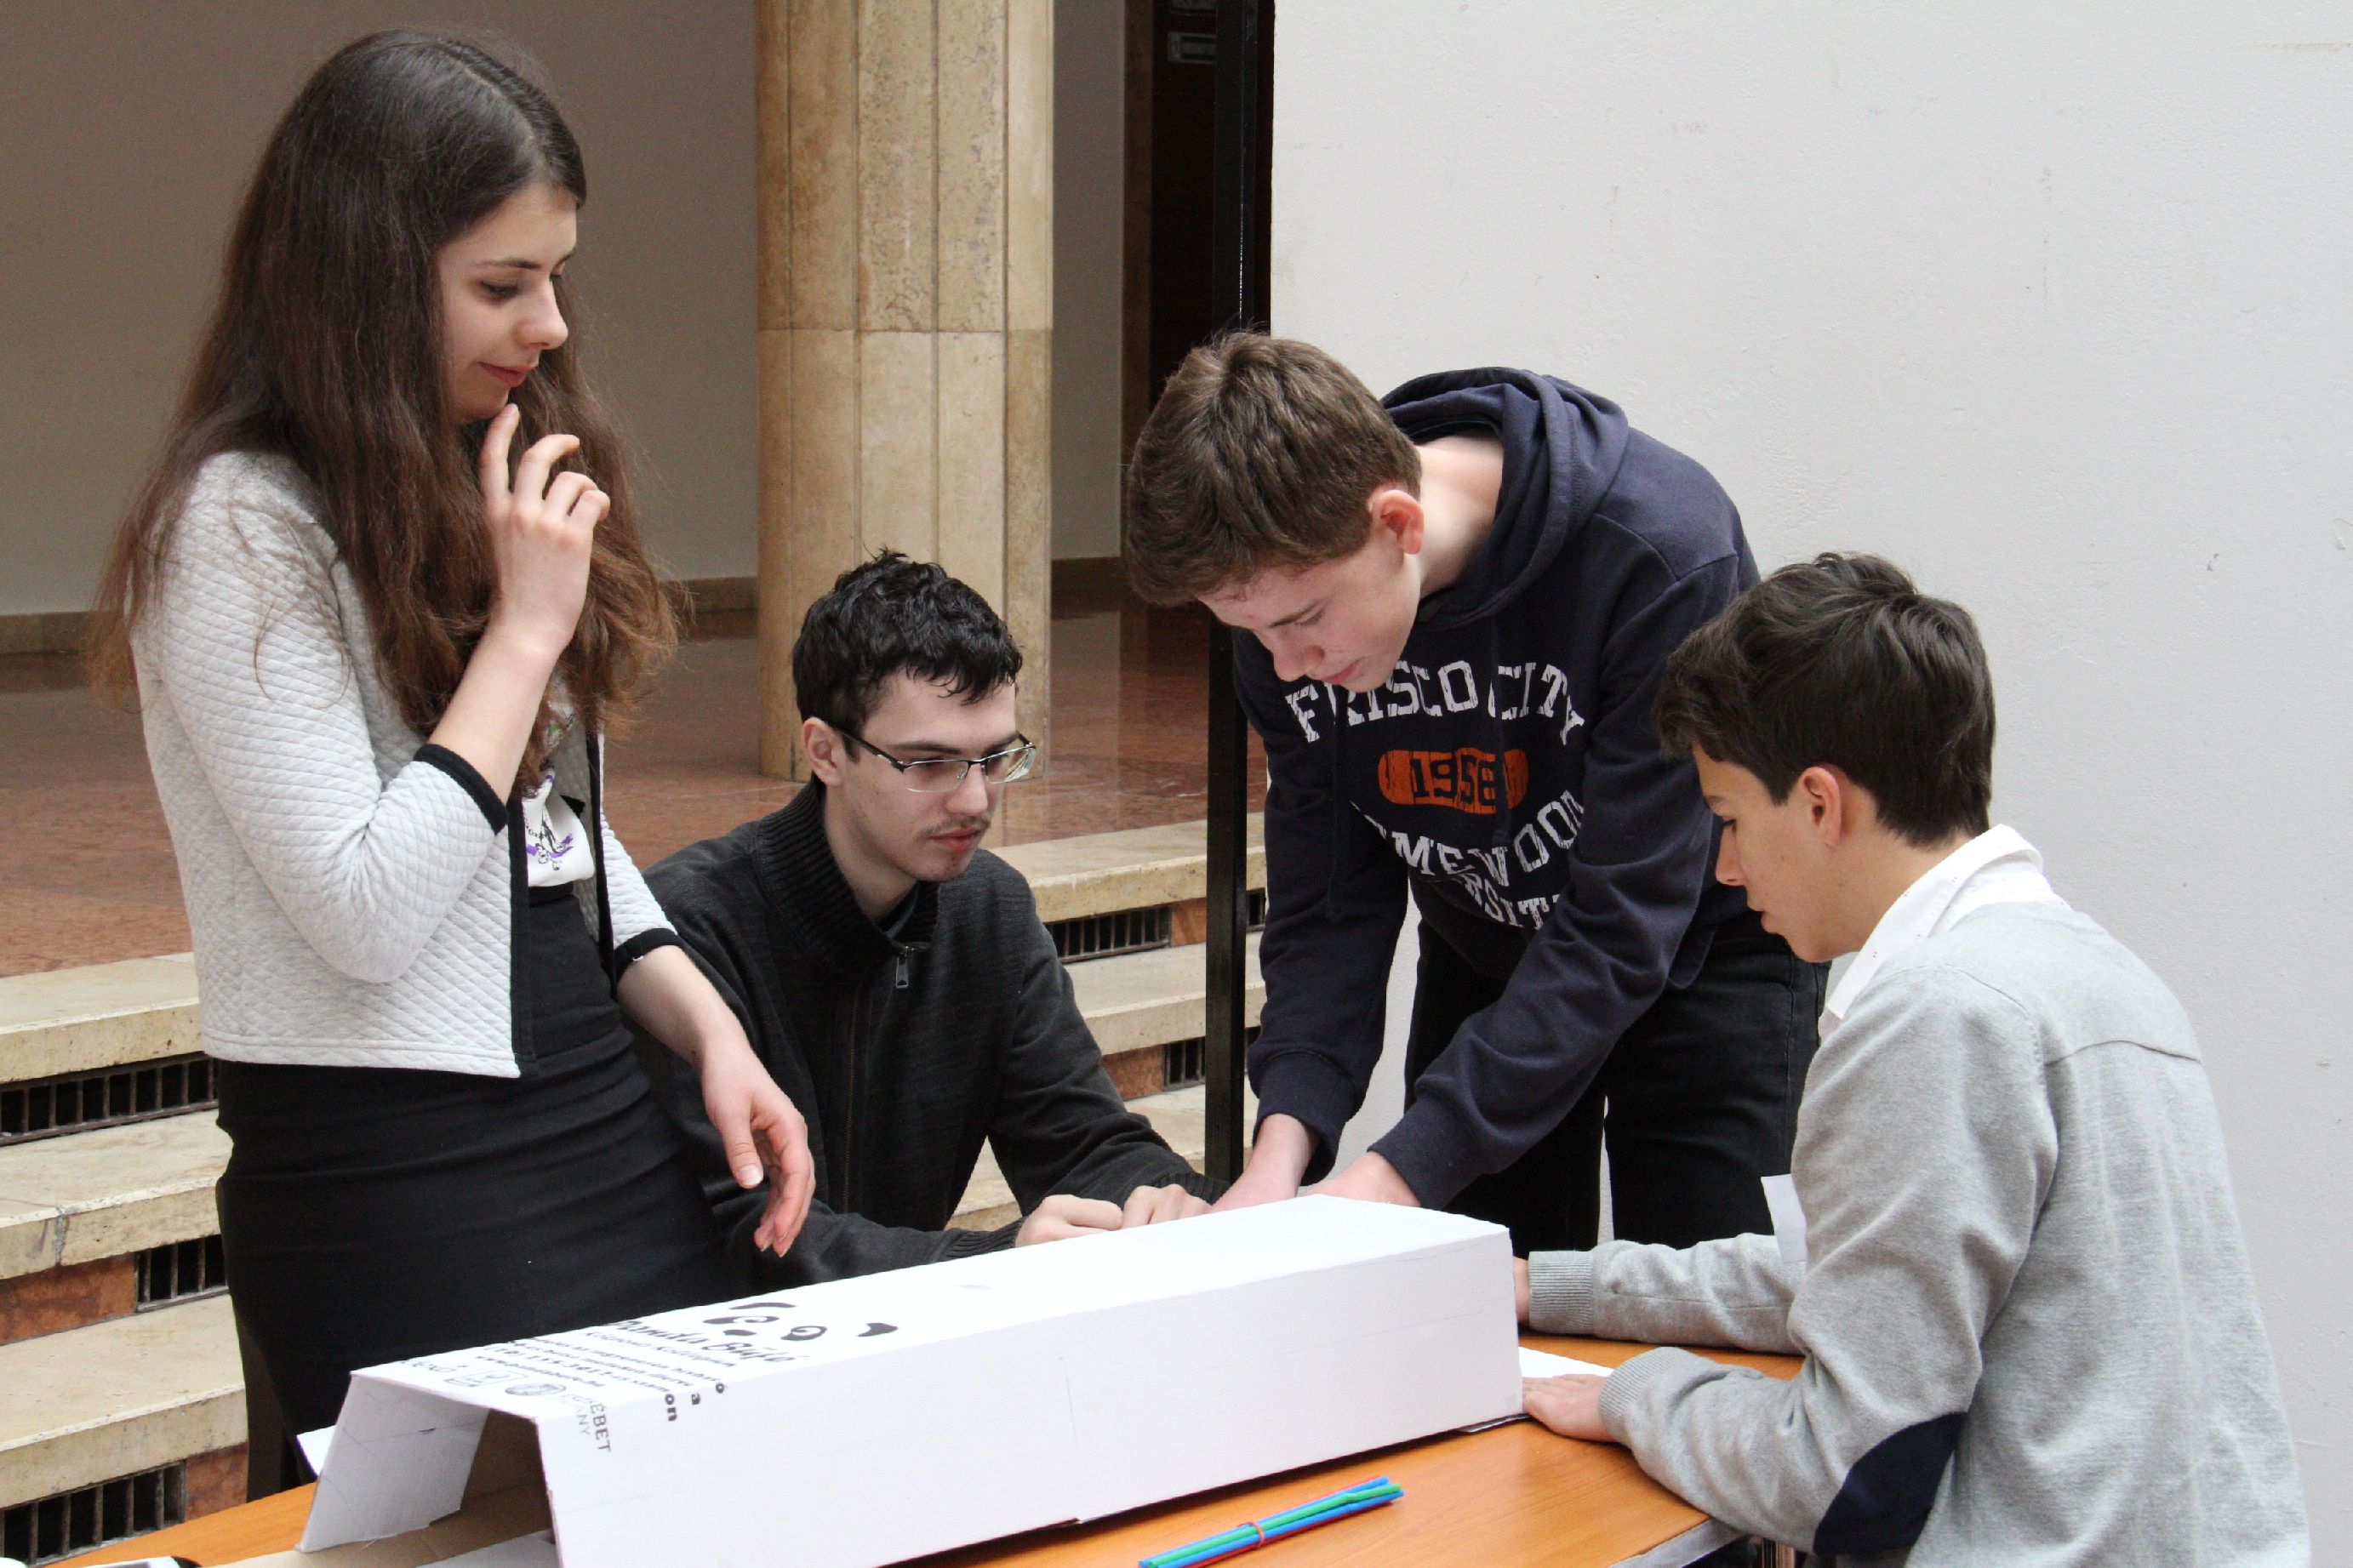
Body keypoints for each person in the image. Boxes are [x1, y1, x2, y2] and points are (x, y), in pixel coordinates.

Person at [86, 32, 813, 1435]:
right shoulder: (236, 522)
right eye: (501, 283)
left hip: (597, 1123)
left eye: (557, 278)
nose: (548, 325)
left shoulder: (472, 463)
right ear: (360, 275)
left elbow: (555, 830)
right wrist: (523, 635)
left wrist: (713, 1028)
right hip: (393, 1178)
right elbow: (363, 908)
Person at [1516, 554, 2310, 1563]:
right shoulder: (2103, 980)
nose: (1725, 867)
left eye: (1728, 819)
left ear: (1818, 802)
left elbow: (1842, 1478)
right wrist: (1546, 1288)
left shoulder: (1934, 1018)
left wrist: (1631, 1396)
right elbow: (1846, 1278)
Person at [1122, 334, 1823, 1255]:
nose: (1287, 666)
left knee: (1700, 1282)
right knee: (1472, 1284)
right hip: (1487, 949)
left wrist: (1389, 1176)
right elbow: (1327, 898)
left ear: (1397, 524)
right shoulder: (1284, 620)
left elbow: (1621, 921)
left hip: (1701, 950)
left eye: (1302, 621)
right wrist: (1277, 1156)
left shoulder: (1658, 551)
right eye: (1250, 634)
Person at [643, 553, 1222, 1288]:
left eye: (996, 757)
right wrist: (991, 1259)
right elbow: (748, 1233)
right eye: (928, 764)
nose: (975, 801)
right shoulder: (685, 930)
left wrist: (1169, 1200)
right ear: (825, 751)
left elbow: (1080, 1139)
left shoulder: (988, 908)